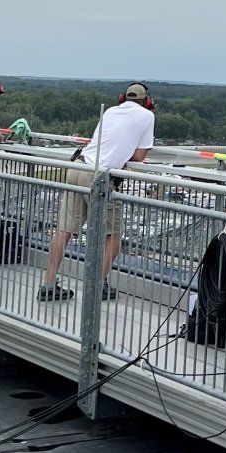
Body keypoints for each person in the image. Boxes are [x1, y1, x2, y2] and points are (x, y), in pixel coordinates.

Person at [39, 83, 155, 303]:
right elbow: (139, 157)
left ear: (123, 98)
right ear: (147, 101)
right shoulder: (147, 116)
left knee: (64, 230)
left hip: (78, 166)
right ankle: (97, 285)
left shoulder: (111, 111)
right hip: (99, 176)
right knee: (112, 235)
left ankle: (48, 284)